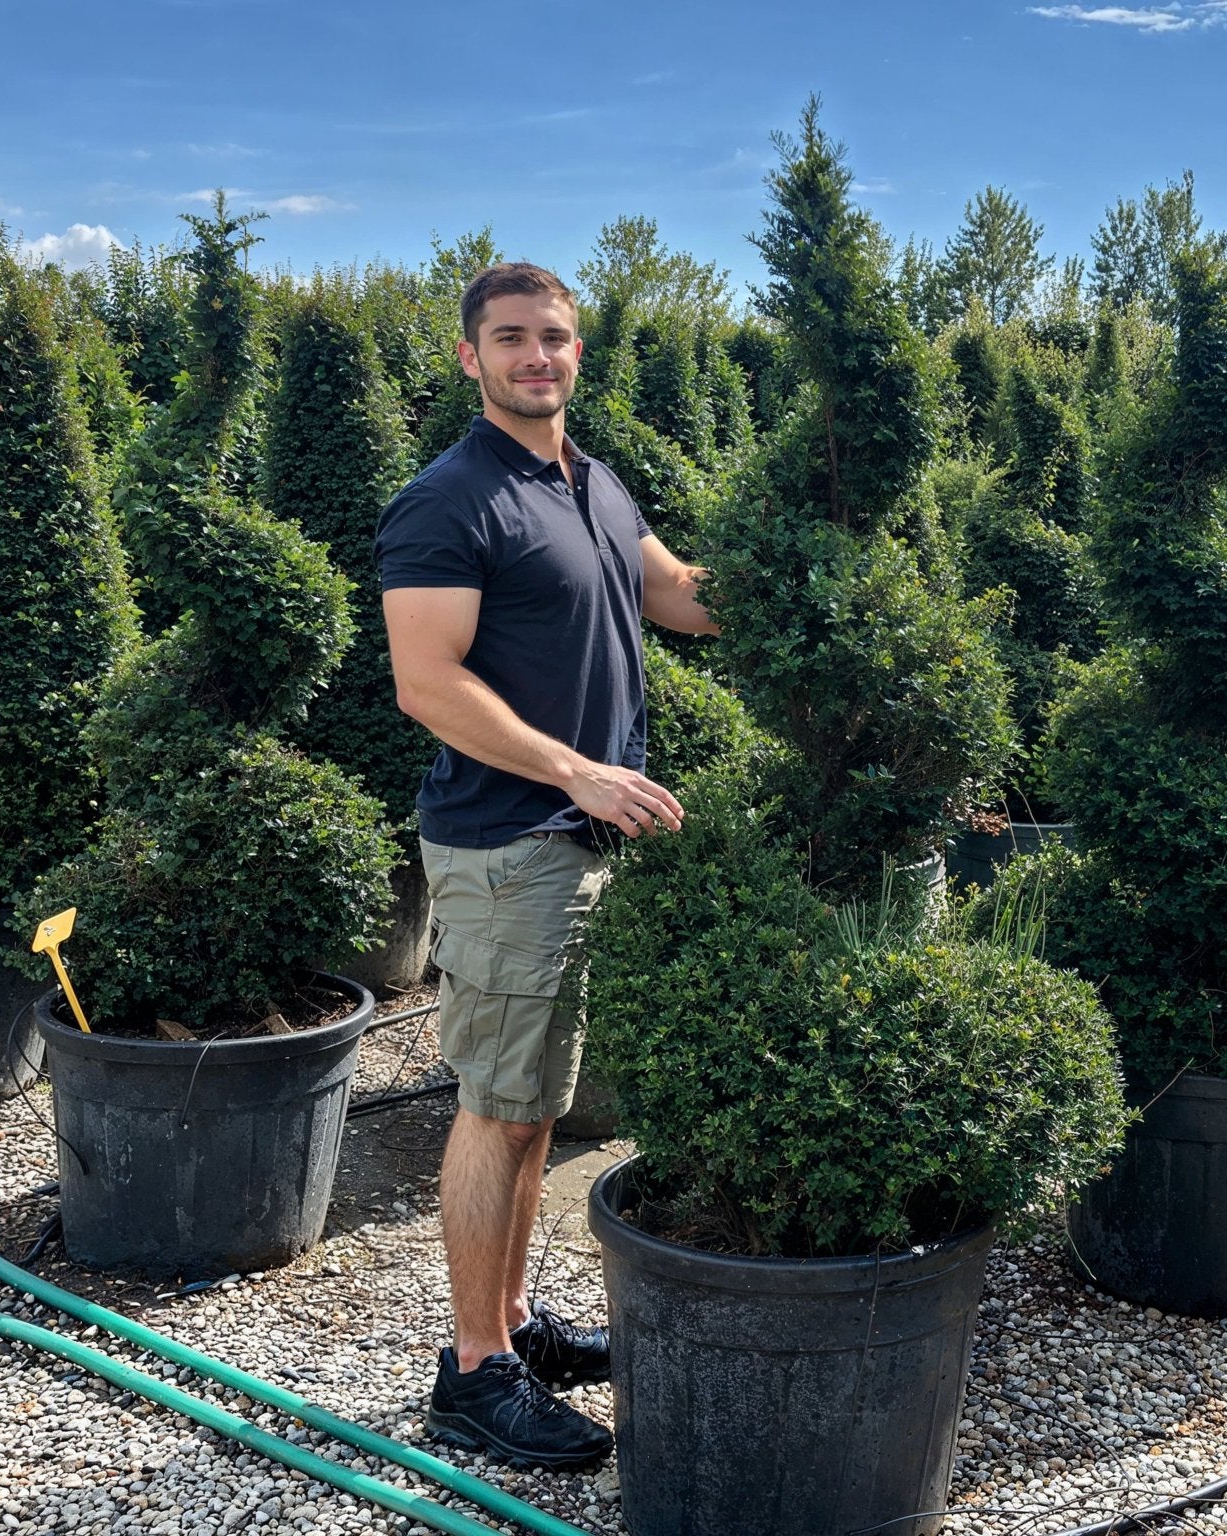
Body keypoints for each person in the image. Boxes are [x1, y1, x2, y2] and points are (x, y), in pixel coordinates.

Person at [376, 261, 717, 1469]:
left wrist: (803, 576)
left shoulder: (593, 481)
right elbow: (427, 682)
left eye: (555, 337)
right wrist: (577, 772)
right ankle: (472, 1374)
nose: (537, 357)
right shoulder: (449, 499)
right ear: (469, 357)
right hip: (508, 841)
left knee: (534, 1110)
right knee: (496, 1106)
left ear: (578, 351)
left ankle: (513, 1323)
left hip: (573, 842)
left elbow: (675, 596)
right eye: (511, 338)